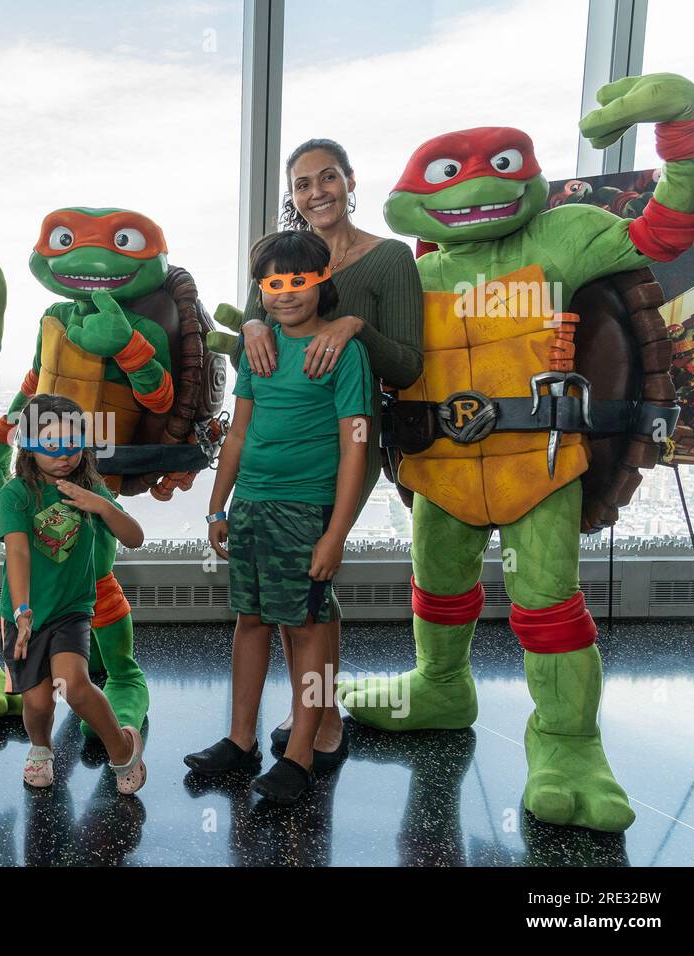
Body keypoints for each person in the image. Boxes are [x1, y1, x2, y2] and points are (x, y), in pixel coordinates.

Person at [216, 138, 423, 765]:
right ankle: (312, 705)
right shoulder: (283, 257)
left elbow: (408, 365)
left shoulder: (389, 259)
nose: (316, 193)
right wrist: (251, 324)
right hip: (277, 447)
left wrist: (354, 325)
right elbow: (259, 354)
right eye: (302, 184)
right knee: (289, 597)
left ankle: (322, 715)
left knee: (312, 583)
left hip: (345, 445)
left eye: (327, 178)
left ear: (350, 181)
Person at [185, 231, 372, 804]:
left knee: (306, 627)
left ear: (322, 283)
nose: (286, 292)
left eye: (298, 281)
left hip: (306, 510)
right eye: (273, 283)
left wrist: (335, 534)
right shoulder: (257, 349)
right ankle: (240, 740)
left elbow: (355, 449)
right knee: (251, 620)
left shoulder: (344, 353)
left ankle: (300, 756)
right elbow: (237, 434)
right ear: (261, 290)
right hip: (250, 505)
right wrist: (217, 506)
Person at [0, 394, 148, 794]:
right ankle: (41, 748)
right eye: (51, 444)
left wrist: (101, 505)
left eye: (73, 443)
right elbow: (17, 552)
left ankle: (123, 749)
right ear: (29, 445)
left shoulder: (89, 486)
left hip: (71, 609)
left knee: (74, 685)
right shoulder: (15, 494)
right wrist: (22, 610)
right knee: (37, 702)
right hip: (24, 613)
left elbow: (134, 537)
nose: (64, 455)